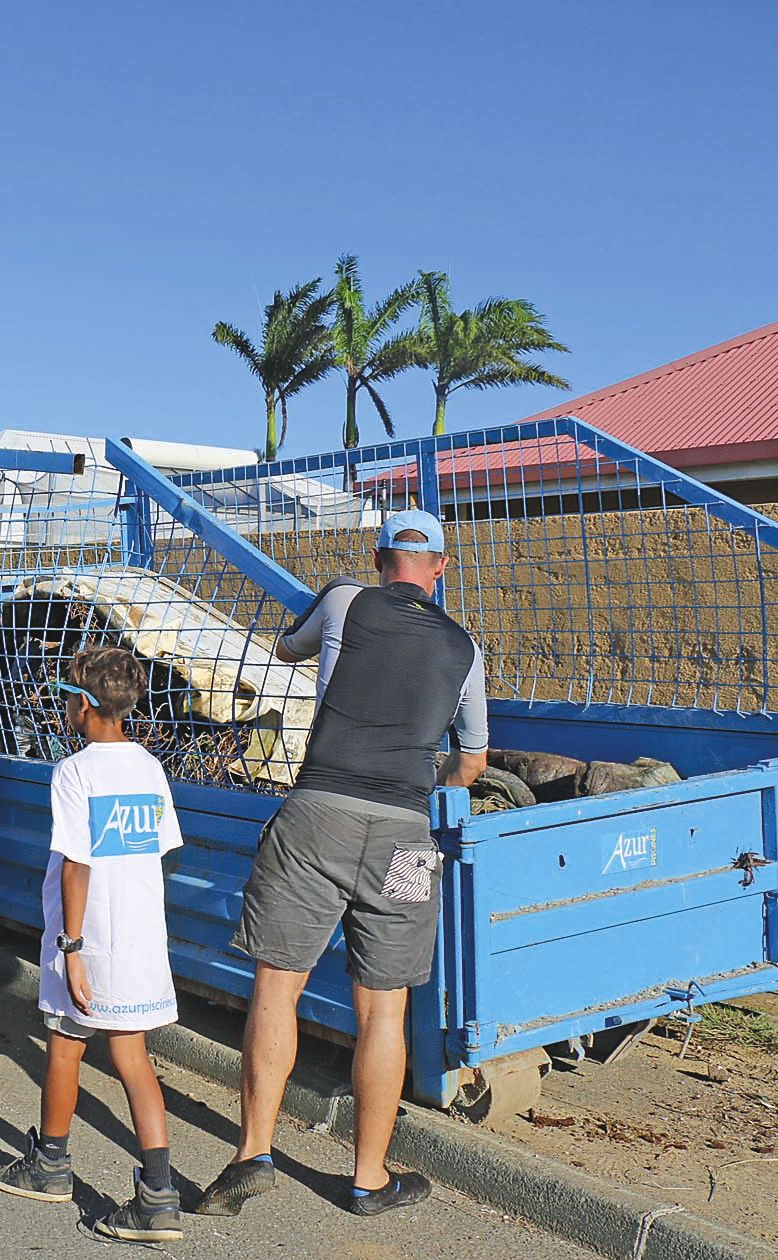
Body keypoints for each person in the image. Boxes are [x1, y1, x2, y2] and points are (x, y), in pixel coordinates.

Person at [195, 509, 487, 1219]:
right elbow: (472, 764)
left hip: (316, 817)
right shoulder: (466, 649)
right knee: (384, 1008)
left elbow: (286, 648)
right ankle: (368, 1179)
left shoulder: (344, 599)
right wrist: (418, 783)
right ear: (440, 570)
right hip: (406, 838)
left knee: (277, 987)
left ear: (379, 558)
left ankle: (253, 1154)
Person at [0, 646, 185, 1244]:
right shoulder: (149, 767)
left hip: (87, 939)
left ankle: (50, 1165)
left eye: (68, 695)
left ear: (86, 705)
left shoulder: (75, 771)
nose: (64, 705)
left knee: (66, 1045)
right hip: (139, 939)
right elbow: (164, 851)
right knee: (133, 1060)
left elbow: (77, 863)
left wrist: (71, 948)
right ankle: (159, 1195)